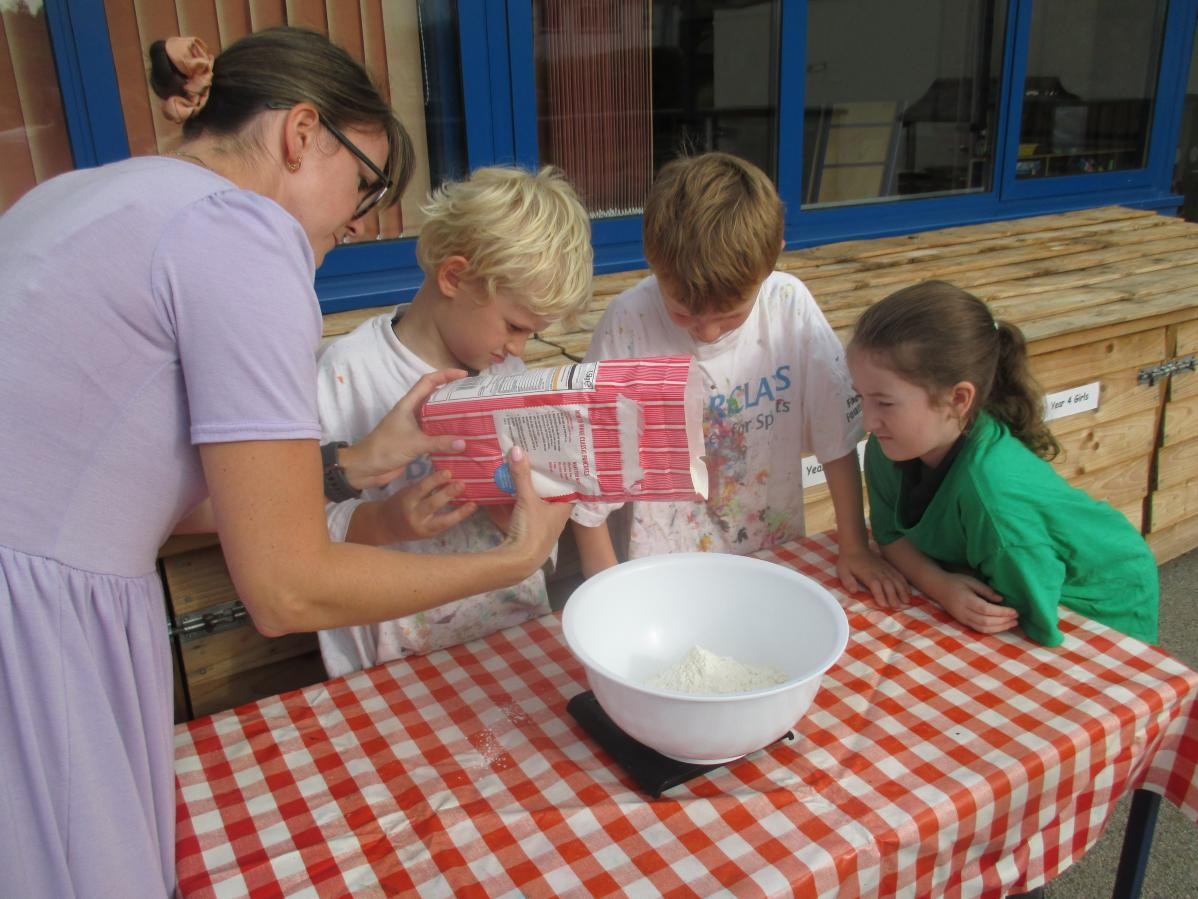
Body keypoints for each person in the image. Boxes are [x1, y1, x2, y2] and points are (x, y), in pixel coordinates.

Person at [0, 28, 570, 898]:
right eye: (366, 183)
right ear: (302, 133)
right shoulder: (243, 236)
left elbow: (136, 486)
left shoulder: (79, 195)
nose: (359, 219)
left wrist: (347, 465)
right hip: (37, 634)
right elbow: (285, 589)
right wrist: (518, 558)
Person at [573, 152, 907, 604]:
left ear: (772, 261)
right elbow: (591, 480)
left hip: (771, 558)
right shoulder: (628, 324)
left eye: (729, 317)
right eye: (682, 313)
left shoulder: (788, 306)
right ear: (651, 259)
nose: (706, 331)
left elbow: (836, 439)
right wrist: (604, 591)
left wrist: (854, 546)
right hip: (662, 575)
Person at [316, 165, 593, 675]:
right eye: (514, 326)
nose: (517, 347)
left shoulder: (504, 368)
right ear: (454, 276)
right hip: (397, 660)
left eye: (531, 334)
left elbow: (529, 500)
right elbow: (299, 533)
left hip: (510, 640)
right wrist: (386, 521)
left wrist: (521, 506)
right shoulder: (348, 373)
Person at [847, 280, 1159, 646]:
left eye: (884, 403)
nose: (867, 422)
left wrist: (942, 586)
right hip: (1019, 574)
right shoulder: (890, 447)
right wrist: (941, 586)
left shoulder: (992, 498)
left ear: (958, 399)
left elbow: (1033, 625)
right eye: (860, 397)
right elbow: (890, 536)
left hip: (1101, 597)